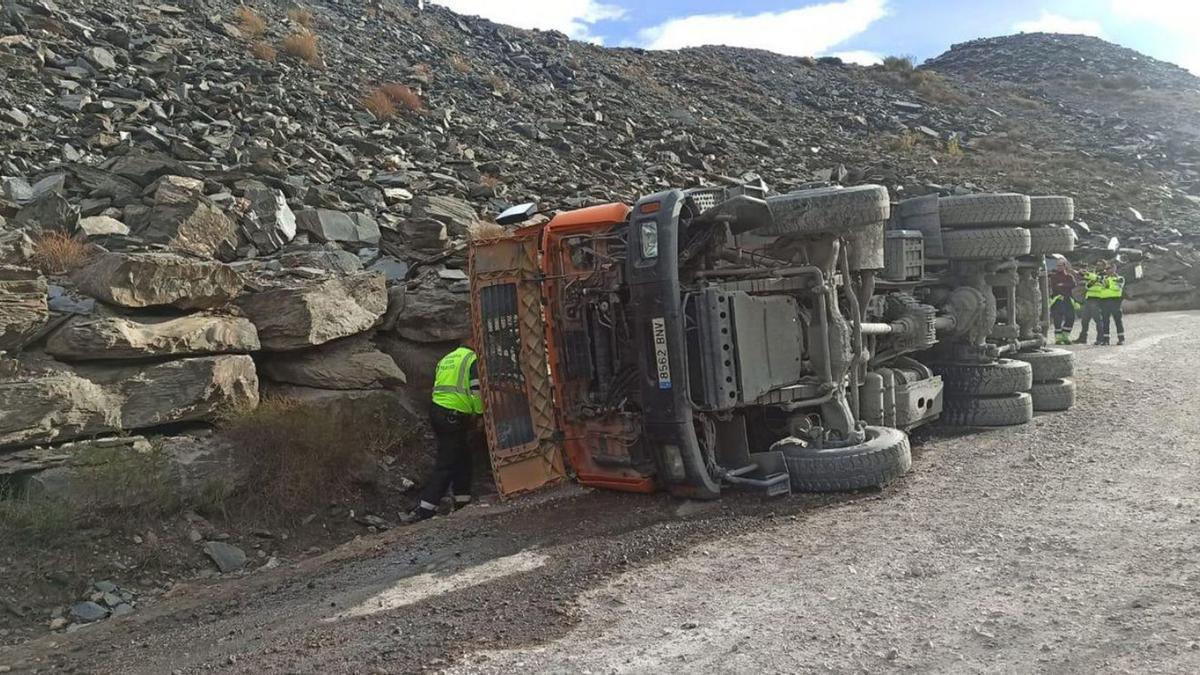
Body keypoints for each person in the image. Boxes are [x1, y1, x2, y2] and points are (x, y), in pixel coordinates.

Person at [403, 343, 484, 523]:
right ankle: (426, 509)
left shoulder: (447, 359)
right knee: (446, 463)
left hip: (438, 411)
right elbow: (476, 390)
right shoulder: (472, 360)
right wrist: (479, 414)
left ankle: (463, 500)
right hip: (453, 415)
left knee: (463, 457)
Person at [1073, 262, 1106, 344]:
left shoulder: (1104, 275)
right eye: (1097, 264)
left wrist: (1085, 273)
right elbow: (1087, 283)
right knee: (1084, 320)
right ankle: (1083, 338)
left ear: (1104, 266)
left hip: (1097, 299)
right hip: (1088, 299)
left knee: (1098, 320)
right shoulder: (1095, 274)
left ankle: (1100, 339)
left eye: (1099, 265)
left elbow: (1095, 278)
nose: (1097, 266)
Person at [1096, 266, 1126, 346]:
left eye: (1111, 268)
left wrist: (1107, 286)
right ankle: (1106, 340)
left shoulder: (1120, 278)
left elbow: (1118, 288)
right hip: (1104, 301)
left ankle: (1121, 339)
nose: (1109, 270)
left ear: (1114, 269)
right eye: (1108, 269)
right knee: (1105, 321)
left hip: (1115, 301)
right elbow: (1097, 288)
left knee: (1118, 320)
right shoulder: (1102, 279)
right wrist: (1106, 286)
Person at [1048, 260, 1077, 345]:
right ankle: (1058, 339)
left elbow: (1073, 284)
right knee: (1058, 319)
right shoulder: (1054, 277)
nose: (1059, 267)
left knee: (1071, 317)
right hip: (1057, 299)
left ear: (1065, 266)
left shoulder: (1069, 276)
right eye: (1057, 266)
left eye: (1060, 265)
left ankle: (1065, 337)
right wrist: (1064, 286)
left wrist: (1062, 285)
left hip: (1068, 299)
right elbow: (1055, 287)